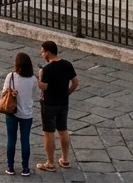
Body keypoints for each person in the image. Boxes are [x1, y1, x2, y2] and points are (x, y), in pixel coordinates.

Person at [37, 41, 78, 172]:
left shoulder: (47, 69)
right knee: (63, 130)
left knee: (48, 133)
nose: (42, 54)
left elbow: (44, 87)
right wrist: (67, 93)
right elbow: (75, 82)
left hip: (49, 104)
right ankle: (65, 159)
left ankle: (50, 162)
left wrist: (39, 77)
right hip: (63, 103)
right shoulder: (67, 64)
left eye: (43, 51)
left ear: (48, 52)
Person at [3, 52, 39, 177]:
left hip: (12, 112)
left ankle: (10, 166)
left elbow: (4, 93)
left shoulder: (11, 76)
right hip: (27, 113)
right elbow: (33, 94)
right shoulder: (34, 79)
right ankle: (25, 168)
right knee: (25, 140)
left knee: (11, 139)